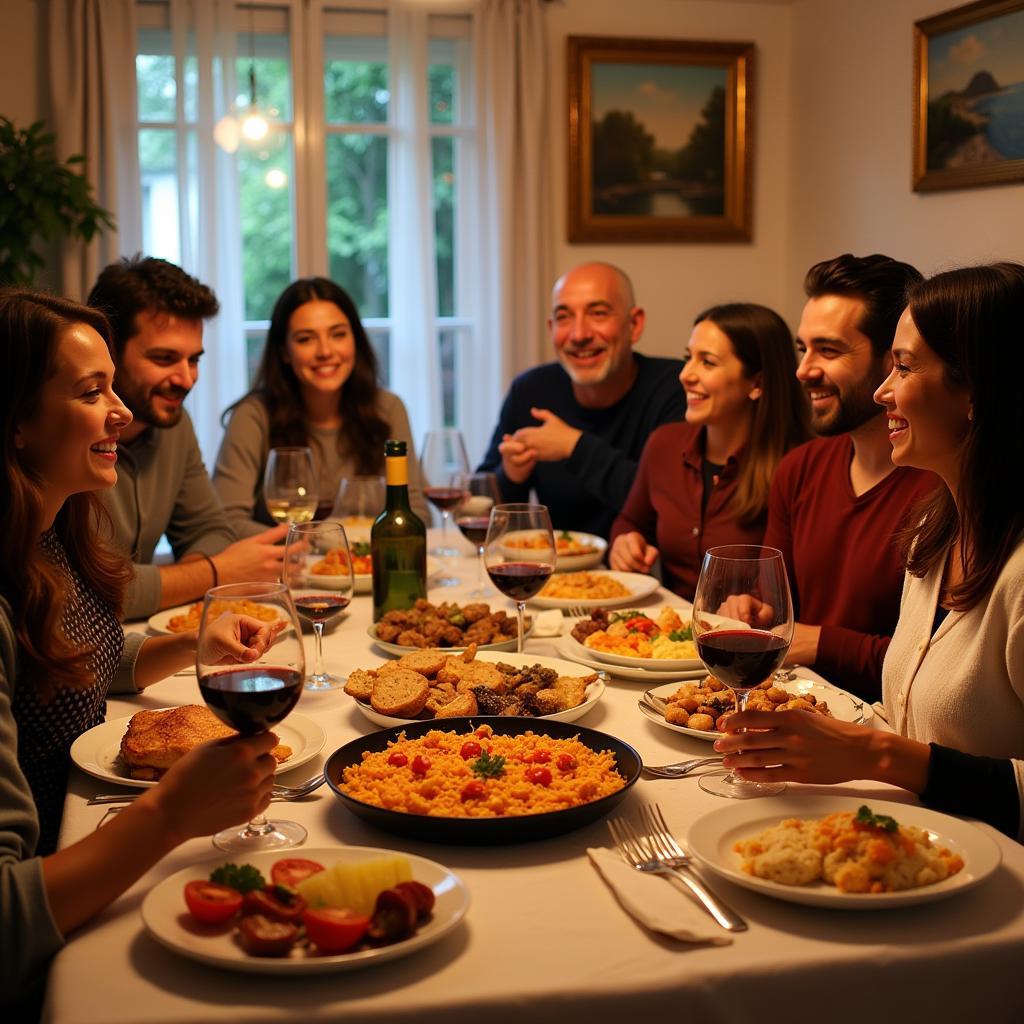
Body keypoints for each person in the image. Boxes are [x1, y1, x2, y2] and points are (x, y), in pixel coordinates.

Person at [0, 291, 283, 1002]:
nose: (121, 414)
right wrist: (170, 817)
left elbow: (70, 664)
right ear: (17, 423)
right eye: (93, 392)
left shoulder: (48, 536)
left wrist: (190, 643)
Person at [715, 262, 1024, 842]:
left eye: (903, 367)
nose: (885, 390)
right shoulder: (935, 533)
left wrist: (878, 756)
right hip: (911, 845)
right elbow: (908, 715)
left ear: (976, 391)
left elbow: (906, 753)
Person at [763, 254, 938, 700]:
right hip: (797, 704)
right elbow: (777, 612)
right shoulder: (799, 468)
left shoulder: (943, 490)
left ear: (892, 361)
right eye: (804, 349)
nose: (804, 370)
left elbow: (941, 668)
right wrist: (754, 608)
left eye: (829, 350)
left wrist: (822, 642)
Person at [87, 256, 287, 620]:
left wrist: (187, 578)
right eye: (165, 358)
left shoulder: (174, 426)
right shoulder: (65, 436)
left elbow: (210, 530)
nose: (187, 378)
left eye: (194, 359)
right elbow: (85, 592)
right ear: (107, 350)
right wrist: (212, 573)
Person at [609, 304, 812, 598]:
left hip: (745, 638)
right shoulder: (664, 444)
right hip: (666, 631)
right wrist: (625, 542)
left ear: (757, 383)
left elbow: (787, 590)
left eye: (708, 362)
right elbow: (630, 521)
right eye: (687, 358)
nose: (685, 375)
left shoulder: (798, 466)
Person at [477, 262, 685, 538]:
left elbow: (673, 504)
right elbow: (480, 509)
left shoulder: (674, 388)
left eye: (598, 314)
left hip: (644, 576)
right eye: (564, 317)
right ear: (551, 329)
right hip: (555, 571)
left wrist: (575, 447)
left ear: (634, 325)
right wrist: (511, 475)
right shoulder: (531, 391)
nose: (579, 335)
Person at [213, 276, 428, 531]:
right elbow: (226, 522)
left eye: (338, 334)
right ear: (284, 351)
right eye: (306, 339)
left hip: (367, 567)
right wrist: (314, 543)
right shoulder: (254, 416)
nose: (325, 351)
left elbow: (417, 512)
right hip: (284, 568)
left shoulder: (388, 409)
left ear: (355, 341)